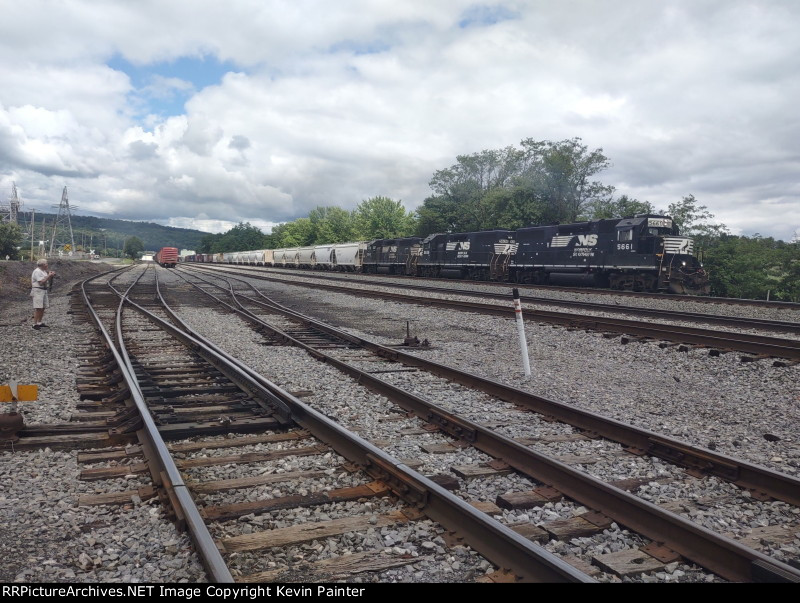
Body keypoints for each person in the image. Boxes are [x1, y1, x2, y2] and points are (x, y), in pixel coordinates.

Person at [30, 258, 55, 330]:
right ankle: (34, 324)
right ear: (43, 265)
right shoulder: (37, 271)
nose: (47, 265)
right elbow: (41, 282)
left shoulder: (43, 271)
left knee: (43, 307)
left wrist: (50, 276)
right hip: (38, 290)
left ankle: (39, 322)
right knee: (38, 308)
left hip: (43, 290)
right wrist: (49, 276)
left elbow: (46, 280)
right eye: (46, 264)